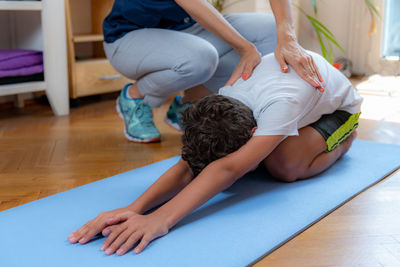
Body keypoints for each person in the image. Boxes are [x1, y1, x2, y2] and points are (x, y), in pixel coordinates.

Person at [68, 51, 362, 256]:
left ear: (251, 135)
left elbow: (227, 169)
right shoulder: (228, 96)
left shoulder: (280, 107)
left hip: (337, 110)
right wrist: (135, 208)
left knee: (284, 167)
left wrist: (161, 219)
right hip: (294, 106)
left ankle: (345, 138)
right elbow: (191, 163)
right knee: (239, 159)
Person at [103, 0, 324, 142]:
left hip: (187, 27)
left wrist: (287, 36)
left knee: (269, 30)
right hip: (129, 36)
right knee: (200, 58)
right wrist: (245, 48)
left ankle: (189, 105)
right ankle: (136, 97)